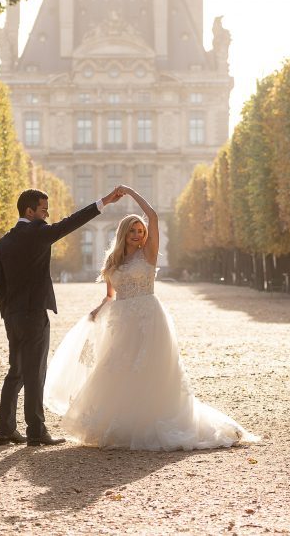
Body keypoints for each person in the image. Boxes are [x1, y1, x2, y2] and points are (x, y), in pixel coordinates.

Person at [44, 185, 257, 451]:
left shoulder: (149, 254)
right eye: (133, 231)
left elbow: (153, 216)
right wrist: (97, 311)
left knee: (149, 371)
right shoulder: (113, 261)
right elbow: (110, 295)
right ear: (123, 233)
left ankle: (148, 423)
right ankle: (124, 424)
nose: (137, 234)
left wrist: (129, 193)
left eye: (140, 231)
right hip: (121, 320)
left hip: (148, 317)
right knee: (117, 370)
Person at [0, 186, 123, 447]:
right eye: (43, 209)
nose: (47, 214)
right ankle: (36, 432)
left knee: (15, 371)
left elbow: (0, 281)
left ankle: (5, 430)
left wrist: (7, 312)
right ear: (29, 211)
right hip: (33, 315)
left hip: (13, 315)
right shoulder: (39, 233)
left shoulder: (5, 240)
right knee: (35, 373)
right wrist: (104, 202)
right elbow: (71, 223)